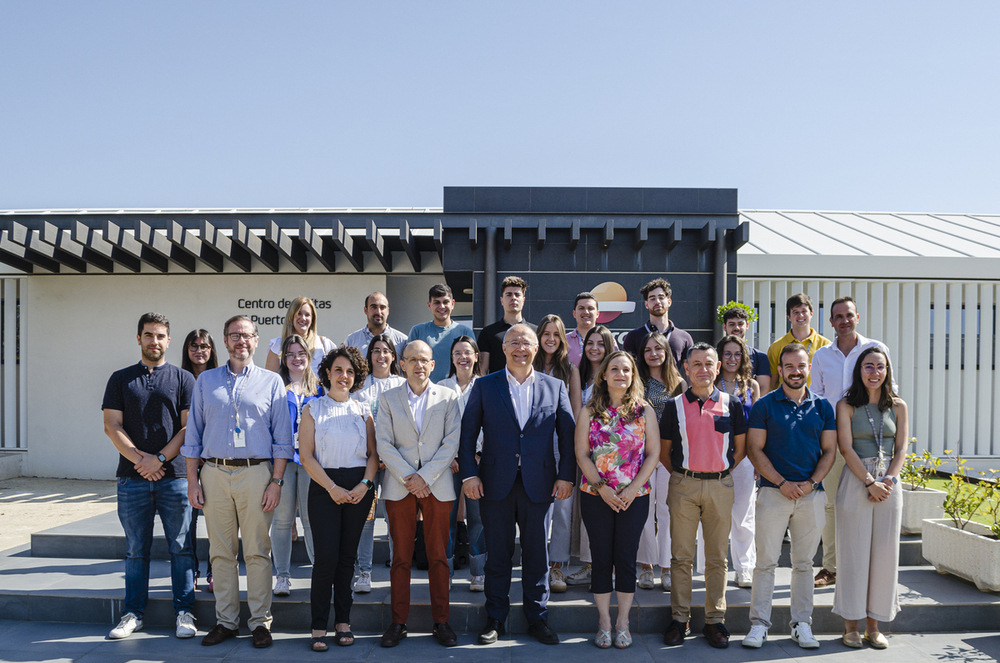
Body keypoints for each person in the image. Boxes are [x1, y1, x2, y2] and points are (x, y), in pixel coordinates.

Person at [459, 324, 576, 646]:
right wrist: (469, 475)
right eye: (513, 343)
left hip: (540, 484)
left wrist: (566, 477)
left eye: (526, 343)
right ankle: (495, 617)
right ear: (504, 348)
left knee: (537, 555)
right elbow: (467, 436)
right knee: (498, 555)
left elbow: (568, 436)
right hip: (494, 484)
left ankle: (537, 618)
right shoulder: (485, 386)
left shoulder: (555, 387)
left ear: (537, 348)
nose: (520, 348)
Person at [182, 315, 293, 649]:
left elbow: (282, 440)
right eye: (234, 336)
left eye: (246, 336)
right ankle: (226, 622)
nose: (240, 341)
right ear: (225, 341)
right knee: (221, 553)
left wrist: (276, 482)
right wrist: (192, 480)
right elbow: (193, 436)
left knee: (258, 551)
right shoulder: (205, 382)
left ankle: (260, 622)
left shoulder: (272, 381)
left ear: (257, 340)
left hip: (256, 473)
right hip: (214, 473)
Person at [103, 313, 197, 640]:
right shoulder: (120, 379)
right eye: (148, 335)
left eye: (159, 336)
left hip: (175, 478)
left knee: (182, 548)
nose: (153, 341)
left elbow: (188, 428)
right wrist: (141, 461)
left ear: (168, 340)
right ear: (138, 339)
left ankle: (184, 611)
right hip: (132, 479)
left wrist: (158, 459)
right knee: (135, 550)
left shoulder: (184, 379)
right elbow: (111, 426)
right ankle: (133, 614)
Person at [742, 343, 837, 650]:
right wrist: (781, 482)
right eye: (790, 367)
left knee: (804, 564)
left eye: (802, 366)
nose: (796, 372)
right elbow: (754, 449)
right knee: (766, 562)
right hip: (773, 493)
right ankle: (759, 625)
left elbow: (830, 451)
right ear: (780, 370)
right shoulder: (765, 405)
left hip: (811, 495)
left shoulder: (823, 406)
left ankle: (802, 624)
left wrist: (811, 483)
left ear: (809, 368)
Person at [659, 343, 747, 649]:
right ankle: (679, 619)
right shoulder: (673, 407)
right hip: (684, 485)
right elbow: (665, 451)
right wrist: (687, 474)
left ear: (718, 367)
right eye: (696, 364)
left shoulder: (731, 403)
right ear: (686, 368)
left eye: (708, 364)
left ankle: (714, 621)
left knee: (716, 558)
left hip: (720, 486)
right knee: (681, 557)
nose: (702, 370)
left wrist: (719, 470)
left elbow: (741, 446)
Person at [376, 340, 462, 648]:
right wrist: (410, 478)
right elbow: (383, 443)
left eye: (424, 359)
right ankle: (398, 622)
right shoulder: (387, 398)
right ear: (402, 364)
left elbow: (451, 443)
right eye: (411, 359)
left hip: (436, 484)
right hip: (400, 485)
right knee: (400, 556)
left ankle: (442, 622)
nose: (418, 365)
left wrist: (424, 477)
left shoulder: (449, 397)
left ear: (433, 364)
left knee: (439, 556)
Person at [810, 296, 896, 588]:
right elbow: (817, 398)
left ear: (857, 317)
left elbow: (890, 391)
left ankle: (867, 567)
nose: (844, 320)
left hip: (868, 438)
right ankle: (831, 568)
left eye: (849, 315)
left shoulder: (876, 349)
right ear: (831, 322)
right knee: (832, 504)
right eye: (838, 316)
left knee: (870, 502)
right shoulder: (822, 356)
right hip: (835, 439)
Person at [576, 351, 660, 649]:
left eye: (626, 369)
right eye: (615, 369)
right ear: (604, 375)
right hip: (596, 495)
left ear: (633, 375)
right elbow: (582, 454)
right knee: (601, 558)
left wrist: (632, 488)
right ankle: (603, 622)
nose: (620, 374)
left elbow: (653, 454)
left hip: (633, 498)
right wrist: (602, 488)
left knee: (625, 558)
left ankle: (622, 621)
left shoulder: (644, 411)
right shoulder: (589, 410)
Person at [298, 345, 378, 651]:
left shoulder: (363, 409)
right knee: (326, 558)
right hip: (324, 486)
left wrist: (365, 484)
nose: (343, 376)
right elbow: (306, 456)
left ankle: (343, 622)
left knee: (348, 559)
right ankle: (318, 624)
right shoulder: (313, 409)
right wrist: (332, 488)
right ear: (327, 374)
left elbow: (372, 454)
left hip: (358, 487)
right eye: (338, 370)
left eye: (349, 371)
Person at [833, 347, 908, 649]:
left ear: (887, 371)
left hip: (889, 482)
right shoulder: (846, 405)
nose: (874, 372)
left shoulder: (899, 406)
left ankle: (874, 626)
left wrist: (887, 480)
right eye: (868, 366)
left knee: (884, 555)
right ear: (859, 371)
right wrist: (869, 482)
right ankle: (851, 624)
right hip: (857, 480)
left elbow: (901, 448)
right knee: (853, 554)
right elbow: (845, 448)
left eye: (880, 366)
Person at [350, 334, 406, 593]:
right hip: (367, 462)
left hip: (397, 461)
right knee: (366, 518)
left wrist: (389, 455)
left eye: (386, 350)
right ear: (369, 356)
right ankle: (364, 571)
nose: (381, 355)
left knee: (396, 517)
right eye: (375, 350)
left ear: (394, 356)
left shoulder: (404, 384)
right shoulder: (359, 388)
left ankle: (398, 568)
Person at [269, 334, 323, 597]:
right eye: (290, 354)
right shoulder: (275, 387)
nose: (296, 359)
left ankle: (319, 572)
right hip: (284, 462)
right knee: (282, 520)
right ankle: (282, 576)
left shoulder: (320, 388)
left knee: (312, 518)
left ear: (309, 357)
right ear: (284, 358)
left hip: (312, 460)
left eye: (301, 353)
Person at [533, 314, 582, 592]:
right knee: (540, 510)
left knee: (563, 510)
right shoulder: (528, 365)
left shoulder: (570, 369)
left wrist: (572, 452)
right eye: (546, 333)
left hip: (561, 446)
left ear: (563, 339)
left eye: (556, 334)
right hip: (534, 450)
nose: (550, 339)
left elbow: (574, 415)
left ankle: (558, 567)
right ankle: (538, 564)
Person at [635, 332, 686, 591]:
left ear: (667, 352)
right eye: (648, 350)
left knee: (667, 511)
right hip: (641, 457)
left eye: (658, 348)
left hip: (669, 457)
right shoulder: (636, 382)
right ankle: (646, 567)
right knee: (644, 511)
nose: (653, 353)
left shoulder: (679, 384)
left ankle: (667, 567)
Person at [568, 324, 616, 586]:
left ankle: (609, 569)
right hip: (585, 455)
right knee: (589, 514)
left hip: (614, 459)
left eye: (600, 343)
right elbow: (577, 415)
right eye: (590, 343)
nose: (594, 348)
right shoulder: (579, 375)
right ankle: (590, 566)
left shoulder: (618, 376)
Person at [438, 336, 487, 592]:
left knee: (478, 519)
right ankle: (444, 573)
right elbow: (437, 428)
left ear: (476, 356)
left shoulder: (487, 385)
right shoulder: (441, 387)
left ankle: (478, 573)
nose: (463, 357)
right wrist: (453, 457)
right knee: (446, 519)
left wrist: (478, 455)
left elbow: (491, 425)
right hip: (448, 465)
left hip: (479, 462)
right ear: (452, 358)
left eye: (468, 352)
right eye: (458, 353)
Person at [715, 334, 760, 589]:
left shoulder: (751, 385)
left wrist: (755, 459)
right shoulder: (711, 382)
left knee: (743, 515)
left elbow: (756, 424)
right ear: (720, 357)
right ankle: (714, 566)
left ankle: (744, 567)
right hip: (714, 456)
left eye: (737, 354)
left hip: (743, 458)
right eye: (727, 353)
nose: (732, 358)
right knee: (714, 517)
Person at [180, 329, 218, 593]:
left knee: (219, 522)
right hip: (190, 462)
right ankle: (191, 569)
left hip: (216, 460)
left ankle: (216, 571)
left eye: (204, 346)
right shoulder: (180, 379)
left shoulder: (219, 379)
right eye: (194, 346)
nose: (199, 351)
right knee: (190, 521)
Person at [405, 284, 476, 383]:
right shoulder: (418, 331)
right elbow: (408, 363)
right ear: (429, 305)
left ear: (453, 304)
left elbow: (474, 365)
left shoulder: (465, 332)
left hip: (457, 390)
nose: (441, 306)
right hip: (425, 392)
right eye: (437, 302)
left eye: (446, 302)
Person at [622, 278, 694, 370]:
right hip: (642, 384)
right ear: (646, 304)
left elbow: (690, 372)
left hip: (674, 384)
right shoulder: (633, 336)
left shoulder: (684, 337)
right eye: (652, 298)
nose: (657, 302)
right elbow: (627, 368)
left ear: (669, 302)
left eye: (661, 297)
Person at [766, 293, 830, 391]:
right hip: (783, 403)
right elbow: (772, 384)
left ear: (811, 313)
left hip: (815, 403)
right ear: (789, 316)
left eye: (804, 311)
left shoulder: (826, 345)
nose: (800, 315)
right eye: (795, 312)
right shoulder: (776, 347)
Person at [263, 296, 337, 375]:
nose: (303, 318)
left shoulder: (325, 345)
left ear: (312, 319)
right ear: (291, 316)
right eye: (299, 313)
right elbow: (269, 382)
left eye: (307, 315)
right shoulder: (277, 345)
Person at [478, 275, 536, 374]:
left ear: (523, 300)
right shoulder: (488, 333)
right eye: (509, 295)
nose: (513, 298)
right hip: (496, 388)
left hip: (530, 387)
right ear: (502, 300)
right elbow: (482, 370)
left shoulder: (535, 332)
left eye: (517, 295)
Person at [720, 303, 771, 393]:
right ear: (724, 327)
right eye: (732, 324)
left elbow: (763, 388)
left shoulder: (760, 357)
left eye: (740, 324)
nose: (736, 328)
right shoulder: (716, 354)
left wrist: (754, 406)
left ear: (747, 325)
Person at [343, 292, 408, 357]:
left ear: (387, 311)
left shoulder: (402, 341)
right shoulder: (351, 341)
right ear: (366, 310)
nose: (378, 312)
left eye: (382, 307)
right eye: (374, 307)